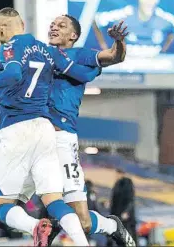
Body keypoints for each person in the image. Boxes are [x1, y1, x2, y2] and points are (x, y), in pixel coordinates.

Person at [0, 7, 104, 246]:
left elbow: (11, 73)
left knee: (0, 210)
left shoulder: (9, 47)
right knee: (54, 201)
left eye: (4, 26)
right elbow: (78, 72)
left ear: (20, 25)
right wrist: (96, 69)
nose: (1, 30)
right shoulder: (46, 51)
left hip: (16, 130)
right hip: (44, 130)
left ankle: (35, 227)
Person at [46, 15, 136, 247]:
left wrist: (119, 42)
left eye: (61, 25)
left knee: (83, 222)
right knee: (8, 203)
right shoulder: (41, 55)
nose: (54, 27)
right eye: (53, 24)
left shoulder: (81, 55)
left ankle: (112, 226)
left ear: (73, 35)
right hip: (36, 138)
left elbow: (114, 56)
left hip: (62, 137)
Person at [108, 169, 137, 246]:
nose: (116, 176)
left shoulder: (127, 183)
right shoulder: (117, 184)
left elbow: (131, 200)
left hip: (126, 217)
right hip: (118, 216)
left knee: (128, 236)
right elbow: (115, 200)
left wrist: (126, 212)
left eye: (118, 174)